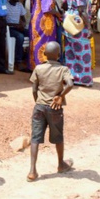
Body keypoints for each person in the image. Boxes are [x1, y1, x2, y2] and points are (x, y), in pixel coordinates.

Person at [27, 41, 74, 182]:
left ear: (44, 54)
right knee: (58, 137)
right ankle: (61, 164)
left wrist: (38, 101)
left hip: (39, 107)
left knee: (35, 138)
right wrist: (60, 96)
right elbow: (70, 84)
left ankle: (32, 171)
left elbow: (34, 89)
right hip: (55, 108)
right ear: (59, 55)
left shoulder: (39, 69)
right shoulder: (63, 70)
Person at [63, 0, 93, 87]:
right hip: (79, 24)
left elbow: (64, 5)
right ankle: (83, 79)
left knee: (71, 51)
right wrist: (89, 27)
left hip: (70, 23)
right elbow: (82, 11)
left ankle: (72, 76)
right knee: (82, 51)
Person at [29, 0, 62, 70]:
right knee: (45, 46)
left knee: (35, 45)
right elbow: (47, 9)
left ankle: (35, 70)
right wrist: (57, 13)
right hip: (45, 24)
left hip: (35, 22)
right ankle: (44, 71)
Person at [6, 0, 29, 72]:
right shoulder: (6, 5)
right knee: (20, 37)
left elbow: (23, 18)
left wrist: (23, 24)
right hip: (10, 28)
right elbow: (4, 22)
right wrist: (16, 25)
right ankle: (18, 61)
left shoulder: (19, 5)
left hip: (19, 27)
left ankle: (28, 58)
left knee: (32, 34)